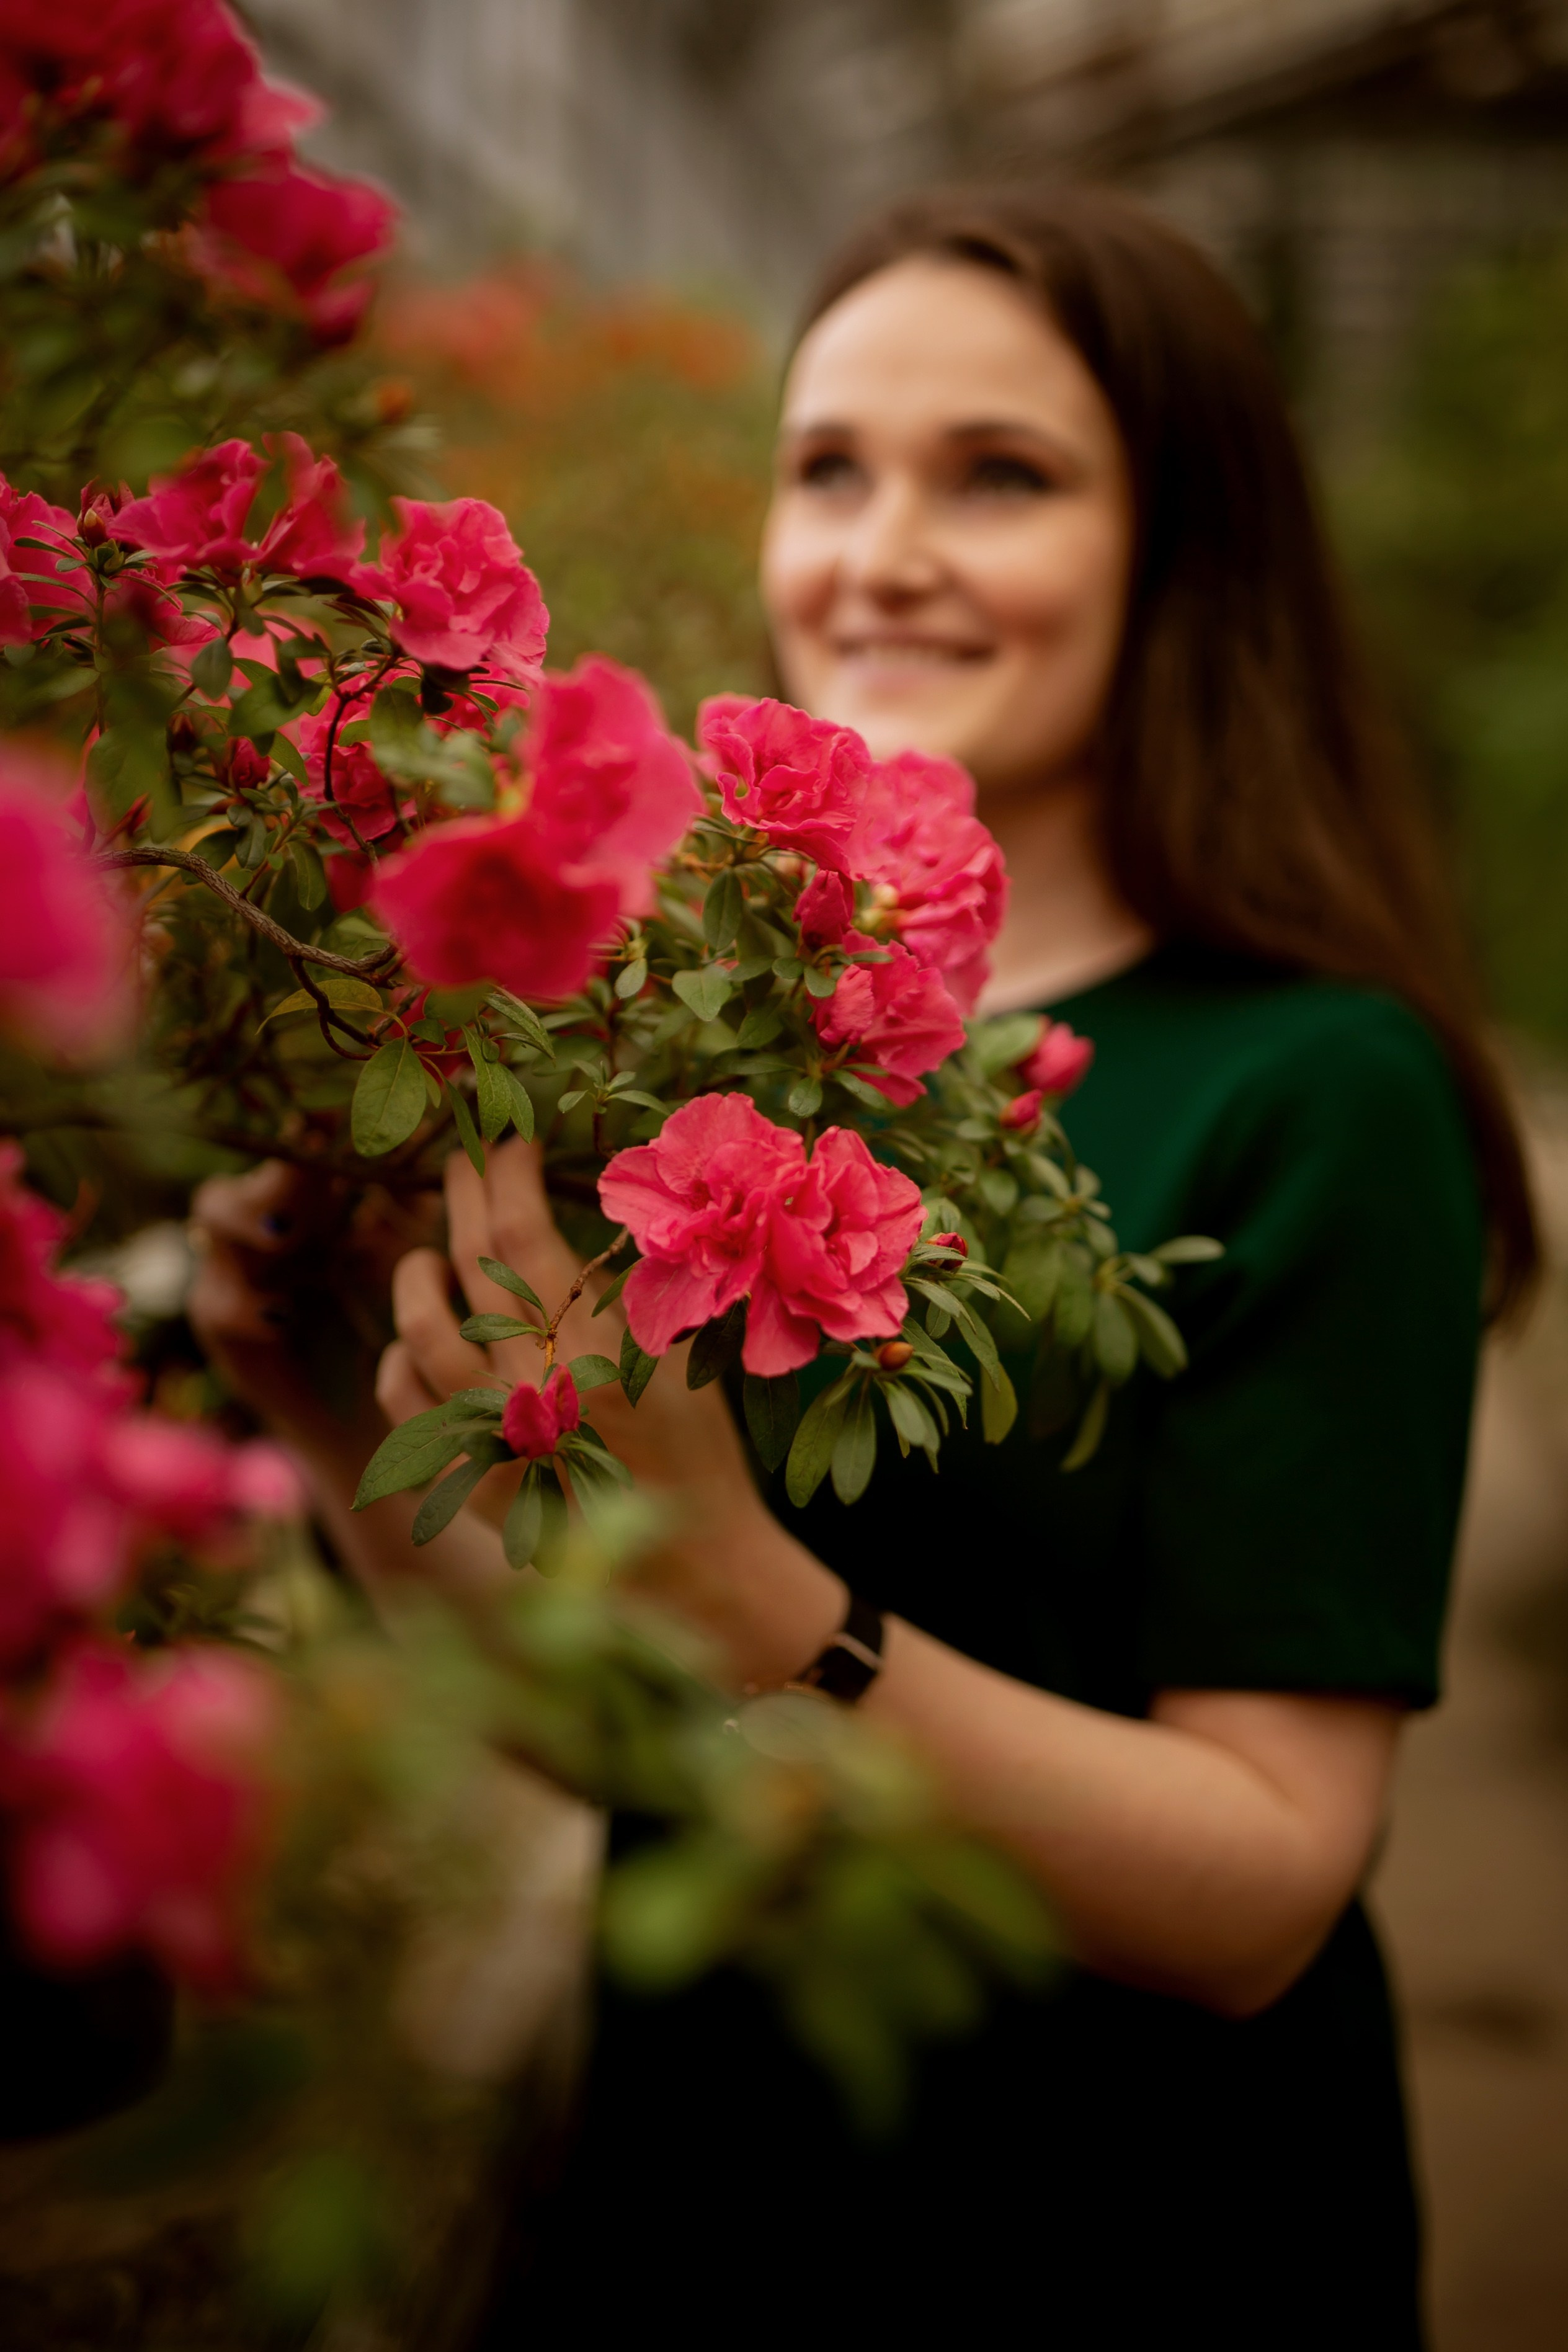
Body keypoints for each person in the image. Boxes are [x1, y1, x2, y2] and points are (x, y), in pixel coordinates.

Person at [191, 188, 1537, 2348]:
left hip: (1134, 2246)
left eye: (998, 475)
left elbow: (1265, 1894)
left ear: (1184, 546)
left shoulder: (1317, 1086)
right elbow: (625, 1736)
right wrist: (322, 1411)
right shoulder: (684, 1035)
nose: (881, 549)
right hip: (694, 2200)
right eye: (831, 467)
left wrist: (766, 1609)